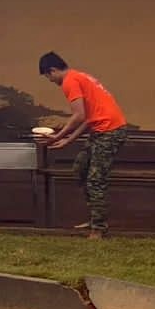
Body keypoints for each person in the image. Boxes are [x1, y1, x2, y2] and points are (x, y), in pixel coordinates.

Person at [37, 51, 129, 239]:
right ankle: (95, 216)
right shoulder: (79, 77)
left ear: (52, 70)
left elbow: (78, 115)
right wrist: (67, 140)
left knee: (95, 179)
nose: (50, 81)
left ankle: (99, 227)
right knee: (80, 168)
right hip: (100, 129)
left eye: (48, 76)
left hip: (110, 130)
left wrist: (56, 137)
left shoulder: (70, 81)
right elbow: (88, 117)